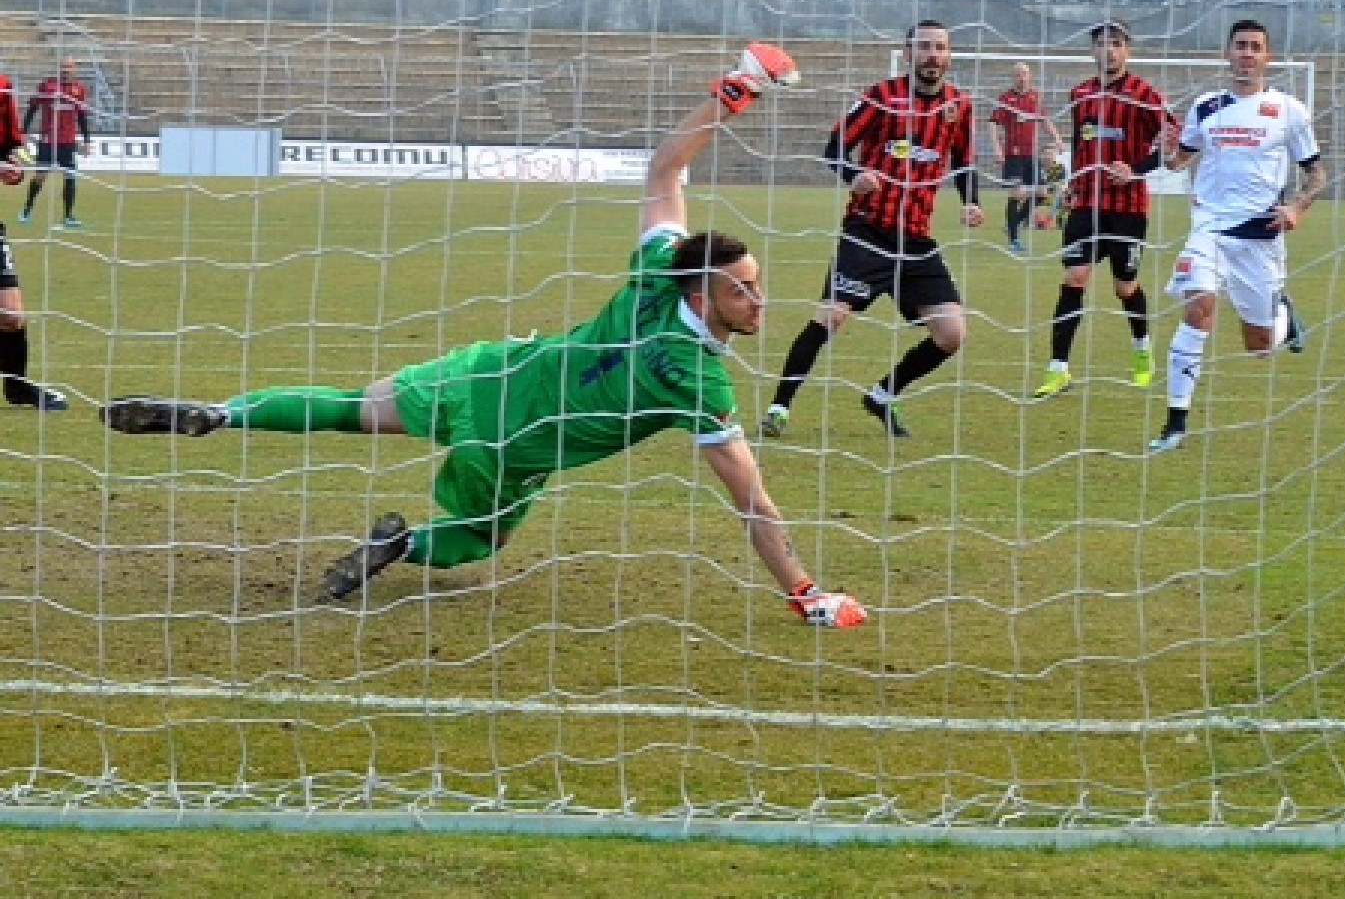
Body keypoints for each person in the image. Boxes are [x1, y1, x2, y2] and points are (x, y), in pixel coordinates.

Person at [99, 43, 868, 627]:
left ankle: (225, 414)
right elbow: (755, 503)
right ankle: (401, 547)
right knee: (475, 542)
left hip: (489, 373)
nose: (762, 301)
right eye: (746, 290)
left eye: (760, 286)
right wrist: (806, 594)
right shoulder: (701, 382)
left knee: (354, 407)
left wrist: (733, 93)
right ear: (706, 293)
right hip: (510, 450)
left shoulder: (655, 271)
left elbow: (664, 171)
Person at [760, 20, 982, 440]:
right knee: (831, 318)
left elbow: (964, 162)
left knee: (952, 334)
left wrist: (972, 201)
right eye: (924, 47)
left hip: (916, 241)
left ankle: (882, 395)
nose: (932, 55)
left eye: (940, 48)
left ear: (949, 55)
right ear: (909, 52)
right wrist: (854, 175)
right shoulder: (881, 97)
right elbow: (834, 148)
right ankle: (779, 407)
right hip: (868, 232)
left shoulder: (960, 106)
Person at [1147, 19, 1326, 454]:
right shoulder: (1207, 107)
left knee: (1260, 346)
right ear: (1227, 53)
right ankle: (1175, 423)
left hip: (1260, 236)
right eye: (1240, 46)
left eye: (1255, 47)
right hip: (1208, 228)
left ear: (1268, 58)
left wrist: (1297, 208)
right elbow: (1177, 164)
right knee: (1199, 309)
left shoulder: (1288, 110)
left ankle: (1285, 318)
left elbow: (1317, 174)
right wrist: (1166, 148)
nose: (1247, 54)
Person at [1030, 20, 1174, 401]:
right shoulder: (1080, 94)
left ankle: (1142, 348)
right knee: (1075, 277)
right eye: (1101, 44)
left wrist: (1137, 170)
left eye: (1116, 43)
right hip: (1086, 205)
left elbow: (1175, 141)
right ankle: (1058, 369)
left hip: (1128, 209)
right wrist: (1069, 186)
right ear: (1092, 51)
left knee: (1124, 287)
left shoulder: (1145, 94)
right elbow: (1080, 143)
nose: (1108, 50)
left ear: (1129, 50)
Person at [1, 72, 67, 411]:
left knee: (12, 316)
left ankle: (18, 389)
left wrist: (15, 165)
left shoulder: (2, 87)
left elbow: (14, 147)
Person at [988, 62, 1064, 253]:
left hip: (1032, 155)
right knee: (1016, 194)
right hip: (1013, 155)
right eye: (1017, 74)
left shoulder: (1035, 97)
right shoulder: (1006, 98)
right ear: (1013, 77)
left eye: (1024, 74)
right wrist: (997, 148)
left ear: (1030, 76)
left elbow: (1045, 121)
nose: (1021, 77)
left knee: (1042, 194)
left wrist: (1057, 138)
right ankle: (1014, 239)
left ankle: (1014, 224)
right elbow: (993, 123)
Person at [20, 56, 91, 230]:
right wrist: (22, 132)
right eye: (64, 66)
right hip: (48, 141)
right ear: (59, 68)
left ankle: (68, 216)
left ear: (75, 69)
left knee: (70, 177)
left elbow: (82, 117)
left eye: (70, 67)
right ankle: (27, 211)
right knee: (40, 177)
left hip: (68, 142)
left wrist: (87, 140)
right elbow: (32, 109)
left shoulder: (79, 90)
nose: (66, 69)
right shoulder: (47, 86)